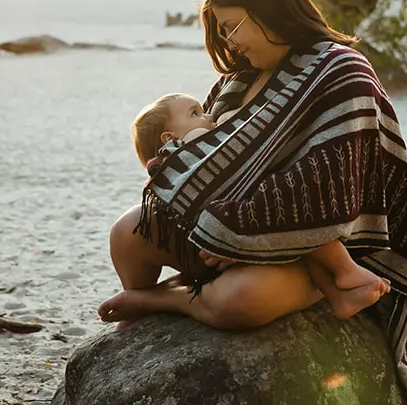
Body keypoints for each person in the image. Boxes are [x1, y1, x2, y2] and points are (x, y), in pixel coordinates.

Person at [99, 0, 407, 405]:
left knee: (242, 301)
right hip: (222, 233)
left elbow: (332, 182)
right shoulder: (235, 83)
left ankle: (161, 300)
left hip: (312, 249)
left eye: (234, 26)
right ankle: (166, 300)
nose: (230, 43)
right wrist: (219, 222)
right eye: (222, 31)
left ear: (268, 10)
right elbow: (210, 162)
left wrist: (241, 226)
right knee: (126, 234)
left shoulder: (341, 71)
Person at [130, 93, 391, 319]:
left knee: (303, 246)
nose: (208, 116)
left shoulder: (164, 172)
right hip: (232, 227)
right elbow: (236, 130)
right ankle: (344, 270)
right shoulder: (192, 146)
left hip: (219, 236)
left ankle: (338, 296)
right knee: (298, 219)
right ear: (169, 137)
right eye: (195, 112)